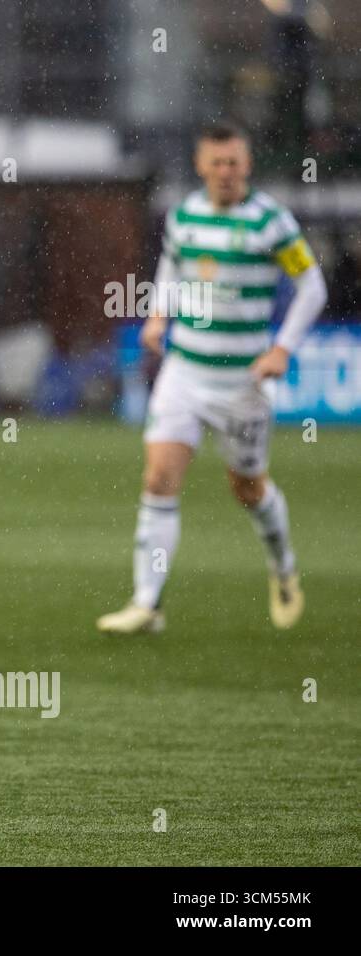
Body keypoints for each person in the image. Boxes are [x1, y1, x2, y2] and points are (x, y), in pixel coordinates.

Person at [97, 122, 327, 635]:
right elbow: (170, 270)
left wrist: (282, 348)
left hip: (241, 386)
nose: (226, 172)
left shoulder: (271, 222)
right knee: (158, 478)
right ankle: (146, 603)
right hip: (184, 373)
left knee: (246, 487)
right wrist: (158, 315)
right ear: (202, 166)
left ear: (247, 165)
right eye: (217, 163)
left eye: (235, 162)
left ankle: (283, 566)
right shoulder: (185, 216)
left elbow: (312, 287)